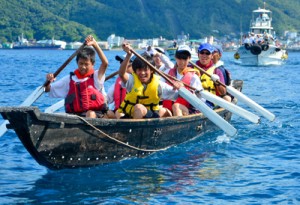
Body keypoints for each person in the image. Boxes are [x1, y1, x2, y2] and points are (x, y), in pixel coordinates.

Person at [45, 35, 109, 118]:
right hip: (76, 116)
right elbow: (48, 89)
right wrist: (48, 81)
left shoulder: (96, 77)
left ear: (92, 64)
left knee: (90, 114)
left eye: (86, 64)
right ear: (77, 63)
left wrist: (95, 45)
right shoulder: (70, 79)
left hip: (95, 115)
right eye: (81, 63)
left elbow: (105, 63)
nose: (83, 67)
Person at [116, 43, 182, 119]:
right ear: (135, 71)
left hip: (151, 116)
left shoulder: (159, 85)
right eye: (139, 70)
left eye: (145, 70)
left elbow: (178, 95)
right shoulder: (132, 80)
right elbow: (121, 74)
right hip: (132, 116)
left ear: (151, 71)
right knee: (138, 107)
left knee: (165, 111)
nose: (142, 73)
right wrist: (128, 55)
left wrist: (180, 86)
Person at [162, 45, 206, 116]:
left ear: (189, 59)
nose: (182, 61)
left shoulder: (194, 77)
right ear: (175, 58)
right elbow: (161, 91)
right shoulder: (167, 73)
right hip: (169, 109)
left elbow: (201, 100)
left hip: (186, 109)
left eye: (185, 58)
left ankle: (178, 126)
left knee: (176, 106)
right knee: (161, 111)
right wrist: (172, 89)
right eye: (179, 58)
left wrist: (184, 90)